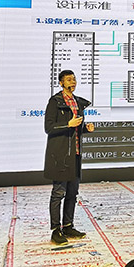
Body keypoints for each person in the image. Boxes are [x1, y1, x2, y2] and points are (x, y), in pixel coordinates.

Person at [44, 69, 95, 245]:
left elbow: (76, 130)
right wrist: (68, 124)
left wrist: (85, 129)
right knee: (58, 193)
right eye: (68, 79)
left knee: (72, 192)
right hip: (60, 155)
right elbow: (49, 127)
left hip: (75, 154)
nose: (72, 82)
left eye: (74, 79)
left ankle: (68, 226)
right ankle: (55, 230)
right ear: (61, 83)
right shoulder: (55, 102)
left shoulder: (78, 103)